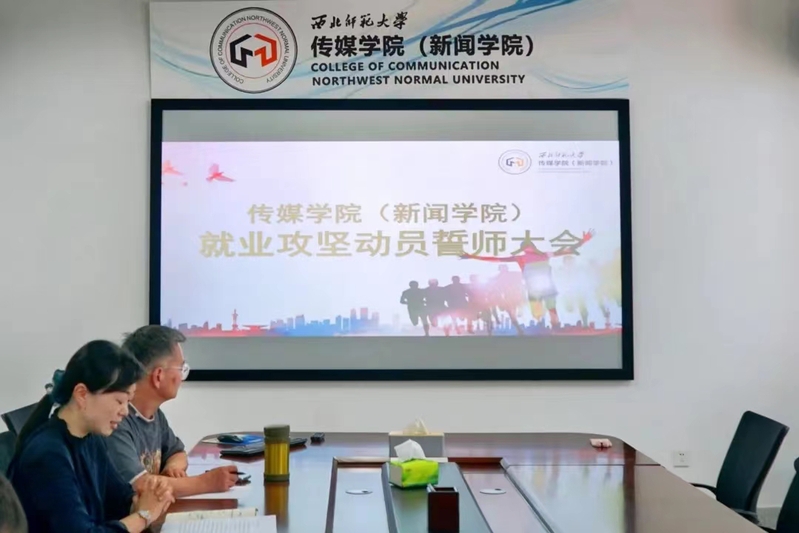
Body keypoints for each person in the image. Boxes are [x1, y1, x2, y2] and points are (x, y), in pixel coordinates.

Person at [7, 340, 174, 533]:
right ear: (82, 394)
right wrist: (144, 516)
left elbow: (119, 500)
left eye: (128, 402)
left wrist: (151, 498)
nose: (125, 411)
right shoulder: (47, 454)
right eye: (119, 401)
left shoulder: (91, 438)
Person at [106, 325, 238, 497]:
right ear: (158, 376)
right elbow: (141, 485)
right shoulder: (116, 421)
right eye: (181, 369)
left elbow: (177, 452)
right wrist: (206, 483)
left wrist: (173, 467)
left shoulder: (155, 415)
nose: (182, 378)